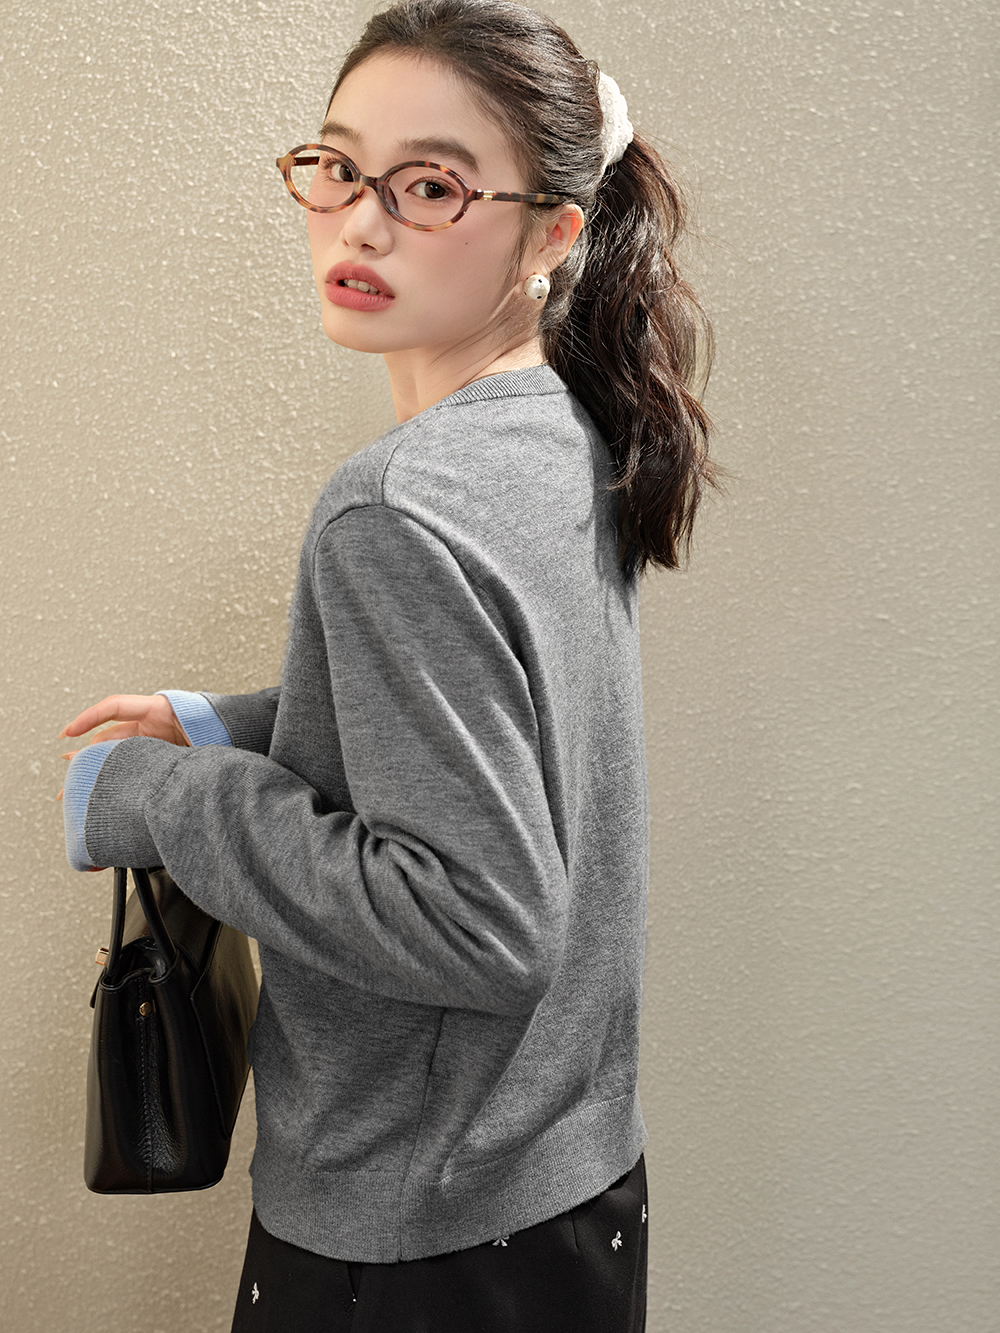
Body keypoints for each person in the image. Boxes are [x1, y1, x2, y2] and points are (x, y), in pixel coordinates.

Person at [57, 1, 718, 1328]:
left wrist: (160, 795)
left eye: (430, 187)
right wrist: (235, 726)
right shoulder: (561, 436)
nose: (360, 224)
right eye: (340, 168)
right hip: (568, 1189)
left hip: (412, 1244)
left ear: (553, 234)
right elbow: (506, 730)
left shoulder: (394, 510)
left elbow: (479, 922)